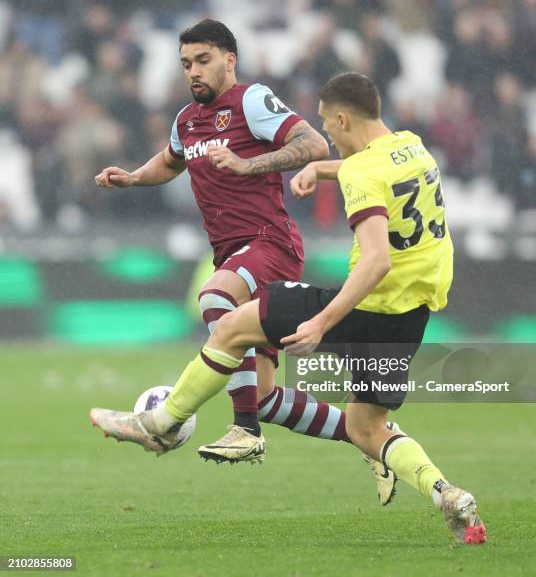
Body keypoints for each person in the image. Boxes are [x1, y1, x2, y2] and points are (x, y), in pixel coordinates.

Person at [91, 72, 487, 543]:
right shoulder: (412, 149)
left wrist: (321, 321)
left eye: (326, 124)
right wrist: (323, 170)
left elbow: (376, 260)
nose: (326, 136)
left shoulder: (362, 172)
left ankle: (163, 422)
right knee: (367, 427)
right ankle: (447, 493)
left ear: (342, 118)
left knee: (232, 325)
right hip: (410, 319)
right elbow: (374, 170)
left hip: (364, 309)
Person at [95, 19, 366, 466]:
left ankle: (244, 432)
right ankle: (369, 435)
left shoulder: (251, 100)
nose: (194, 72)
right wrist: (134, 178)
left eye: (203, 60)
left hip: (270, 243)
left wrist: (249, 164)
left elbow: (314, 144)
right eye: (186, 64)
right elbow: (170, 161)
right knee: (261, 395)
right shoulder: (186, 121)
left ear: (229, 59)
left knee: (214, 297)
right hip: (235, 251)